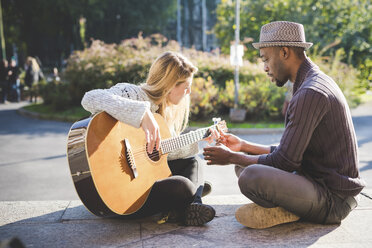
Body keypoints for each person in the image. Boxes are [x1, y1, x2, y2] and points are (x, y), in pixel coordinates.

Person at [203, 21, 365, 229]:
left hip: (333, 200)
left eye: (266, 59)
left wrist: (231, 156)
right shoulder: (311, 82)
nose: (265, 67)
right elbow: (291, 153)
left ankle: (289, 211)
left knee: (250, 175)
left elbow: (285, 162)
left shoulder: (310, 92)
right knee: (243, 167)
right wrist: (242, 146)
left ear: (285, 52)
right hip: (315, 181)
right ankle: (289, 209)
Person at [81, 51, 215, 226]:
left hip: (144, 183)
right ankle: (189, 200)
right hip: (121, 198)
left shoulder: (164, 110)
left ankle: (192, 204)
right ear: (170, 85)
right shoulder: (133, 93)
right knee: (185, 186)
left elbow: (162, 153)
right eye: (186, 86)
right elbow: (90, 98)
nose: (189, 91)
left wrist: (200, 139)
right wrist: (142, 113)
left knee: (194, 162)